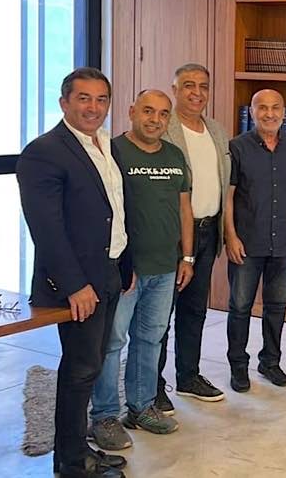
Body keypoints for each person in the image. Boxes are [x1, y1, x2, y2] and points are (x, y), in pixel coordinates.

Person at [17, 67, 131, 478]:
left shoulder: (105, 144)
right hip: (80, 283)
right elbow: (46, 228)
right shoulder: (44, 151)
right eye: (84, 98)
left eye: (101, 99)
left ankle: (78, 448)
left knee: (92, 364)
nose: (93, 107)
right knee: (80, 370)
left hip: (110, 270)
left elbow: (114, 209)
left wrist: (125, 264)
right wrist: (74, 285)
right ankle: (71, 462)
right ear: (64, 102)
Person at [88, 90, 193, 451]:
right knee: (112, 342)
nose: (155, 120)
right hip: (125, 269)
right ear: (132, 111)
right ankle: (104, 416)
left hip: (165, 268)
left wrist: (187, 257)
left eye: (163, 114)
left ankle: (141, 407)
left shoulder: (174, 156)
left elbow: (184, 208)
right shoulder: (112, 151)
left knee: (150, 339)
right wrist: (116, 263)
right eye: (148, 111)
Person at [156, 63, 231, 411]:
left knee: (194, 310)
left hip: (208, 231)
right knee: (160, 314)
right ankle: (153, 385)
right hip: (172, 235)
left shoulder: (216, 130)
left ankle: (188, 376)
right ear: (174, 89)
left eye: (203, 86)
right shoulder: (163, 128)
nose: (196, 93)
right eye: (188, 85)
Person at [224, 89, 286, 392]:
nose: (269, 114)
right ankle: (238, 366)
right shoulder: (237, 147)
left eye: (275, 108)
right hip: (247, 242)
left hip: (284, 240)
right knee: (240, 307)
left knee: (277, 306)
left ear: (284, 112)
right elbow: (228, 196)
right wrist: (230, 236)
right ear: (253, 111)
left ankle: (270, 362)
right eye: (262, 108)